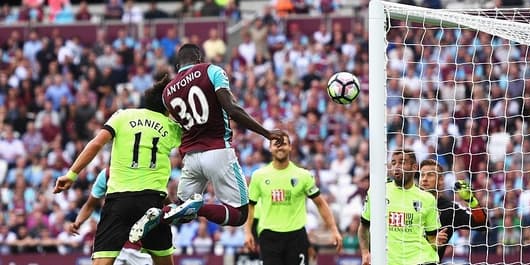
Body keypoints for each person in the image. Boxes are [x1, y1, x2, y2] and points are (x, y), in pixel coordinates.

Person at [130, 43, 285, 243]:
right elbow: (232, 109)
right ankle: (198, 207)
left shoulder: (167, 92)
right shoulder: (211, 70)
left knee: (180, 211)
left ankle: (158, 213)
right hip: (218, 150)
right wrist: (266, 132)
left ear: (178, 65)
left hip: (191, 157)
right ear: (198, 58)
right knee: (239, 214)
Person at [54, 75, 181, 265]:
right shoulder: (172, 127)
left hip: (119, 200)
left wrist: (71, 174)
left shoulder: (122, 116)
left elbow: (96, 143)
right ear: (167, 107)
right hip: (152, 200)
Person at [243, 131, 342, 265]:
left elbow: (320, 203)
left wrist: (334, 230)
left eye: (283, 144)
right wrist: (248, 232)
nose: (280, 147)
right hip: (269, 237)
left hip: (296, 237)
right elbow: (250, 206)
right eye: (275, 144)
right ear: (270, 148)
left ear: (290, 147)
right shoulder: (259, 176)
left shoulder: (303, 175)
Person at [358, 149, 448, 265]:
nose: (397, 167)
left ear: (414, 167)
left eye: (402, 162)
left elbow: (431, 238)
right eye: (394, 163)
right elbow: (364, 227)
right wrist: (365, 253)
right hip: (389, 261)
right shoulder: (378, 191)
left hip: (421, 260)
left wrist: (437, 242)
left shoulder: (427, 199)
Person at [70, 169, 153, 265]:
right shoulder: (106, 174)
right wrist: (78, 221)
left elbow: (163, 201)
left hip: (141, 249)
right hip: (113, 246)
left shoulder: (147, 172)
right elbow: (90, 204)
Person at [418, 159, 487, 260]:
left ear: (441, 180)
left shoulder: (450, 209)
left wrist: (471, 200)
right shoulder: (407, 202)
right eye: (422, 175)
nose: (424, 179)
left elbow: (482, 223)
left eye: (430, 175)